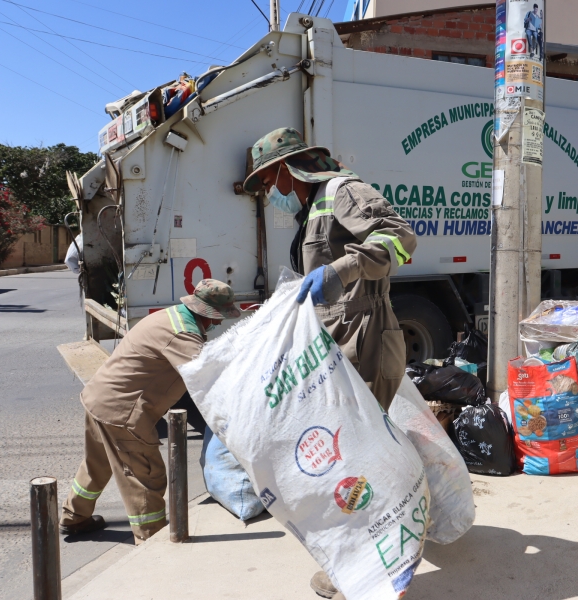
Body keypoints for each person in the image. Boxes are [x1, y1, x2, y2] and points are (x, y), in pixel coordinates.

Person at [243, 127, 417, 600]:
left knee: (361, 470)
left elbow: (400, 237)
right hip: (341, 349)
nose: (269, 193)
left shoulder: (341, 190)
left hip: (366, 341)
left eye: (268, 182)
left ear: (286, 170)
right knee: (353, 465)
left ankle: (369, 575)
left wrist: (341, 270)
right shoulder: (312, 207)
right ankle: (373, 568)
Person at [59, 279, 240, 544]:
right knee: (146, 479)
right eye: (218, 317)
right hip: (122, 412)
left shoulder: (172, 316)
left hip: (99, 398)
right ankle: (150, 541)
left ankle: (74, 517)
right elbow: (209, 379)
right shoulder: (183, 336)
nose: (219, 323)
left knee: (96, 465)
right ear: (204, 312)